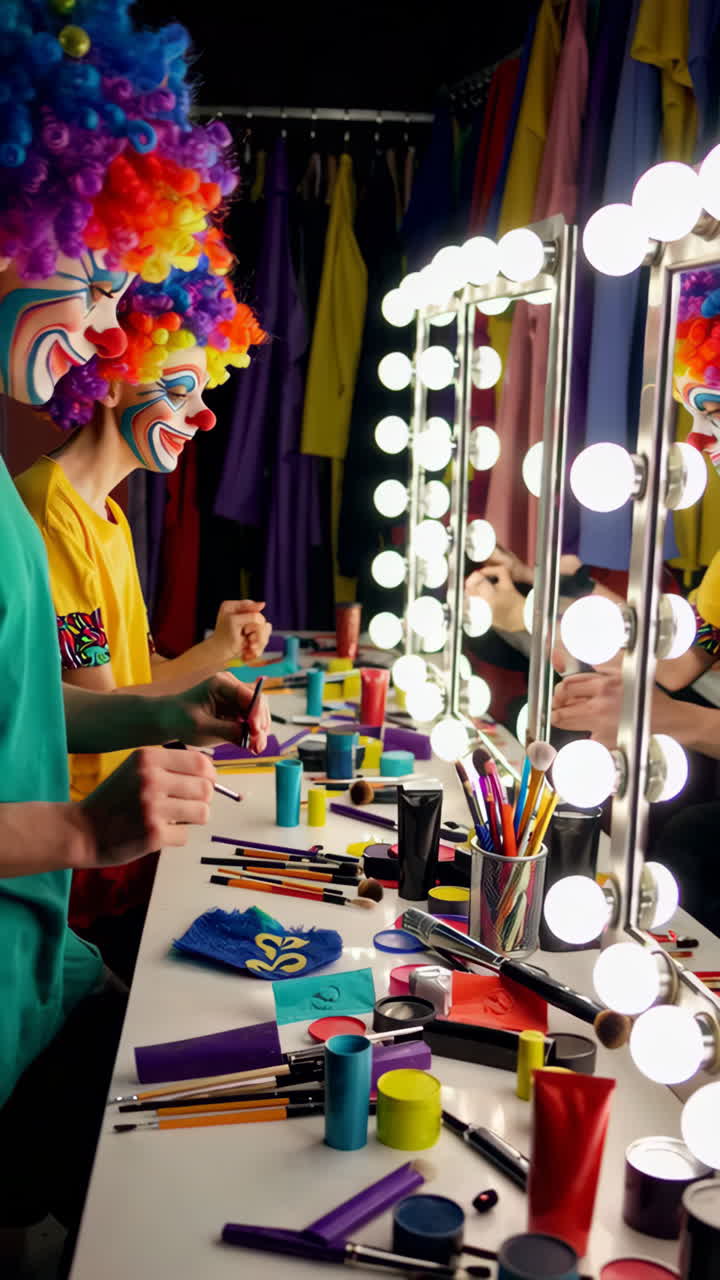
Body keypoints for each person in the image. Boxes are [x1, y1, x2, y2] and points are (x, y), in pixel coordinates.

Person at [0, 5, 268, 1270]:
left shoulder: (22, 510)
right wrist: (75, 829)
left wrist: (169, 706)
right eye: (94, 274)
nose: (107, 324)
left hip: (36, 972)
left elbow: (39, 706)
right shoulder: (45, 508)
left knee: (245, 1102)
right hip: (41, 959)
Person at [16, 245, 269, 980]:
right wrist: (182, 706)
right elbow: (95, 705)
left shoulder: (107, 515)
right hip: (75, 857)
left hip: (116, 839)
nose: (203, 417)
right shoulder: (52, 510)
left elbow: (137, 671)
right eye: (180, 390)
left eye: (202, 393)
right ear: (107, 381)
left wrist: (216, 653)